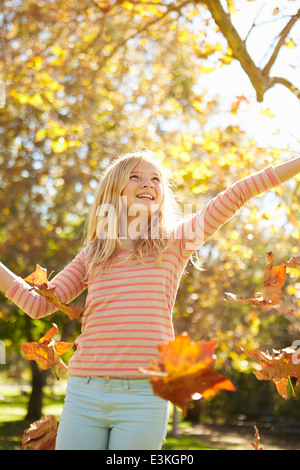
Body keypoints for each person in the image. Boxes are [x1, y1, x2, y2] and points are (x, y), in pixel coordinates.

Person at [0, 150, 299, 450]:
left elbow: (237, 193)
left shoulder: (175, 241)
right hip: (84, 392)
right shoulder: (92, 254)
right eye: (136, 177)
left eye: (156, 179)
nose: (148, 183)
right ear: (113, 192)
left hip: (144, 396)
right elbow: (38, 304)